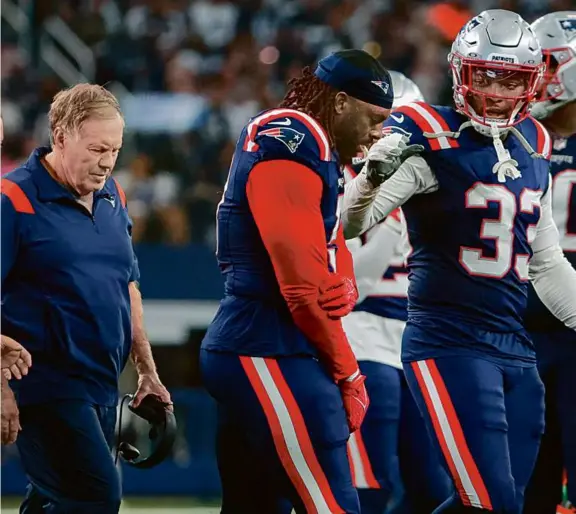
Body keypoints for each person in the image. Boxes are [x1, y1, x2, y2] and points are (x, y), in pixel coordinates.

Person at [340, 10, 576, 514]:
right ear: (459, 73)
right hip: (449, 342)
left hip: (517, 347)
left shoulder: (535, 142)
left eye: (509, 79)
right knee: (492, 503)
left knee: (509, 502)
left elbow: (547, 262)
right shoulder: (429, 132)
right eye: (484, 75)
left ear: (531, 84)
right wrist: (371, 179)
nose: (494, 92)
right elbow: (352, 222)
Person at [200, 49, 421, 514]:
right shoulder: (295, 136)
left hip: (268, 343)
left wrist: (339, 278)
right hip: (267, 345)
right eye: (375, 117)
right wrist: (349, 372)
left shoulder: (320, 150)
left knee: (261, 506)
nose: (379, 132)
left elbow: (328, 255)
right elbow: (300, 289)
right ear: (341, 102)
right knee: (334, 504)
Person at [0, 83, 171, 513]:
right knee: (96, 497)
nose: (107, 162)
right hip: (44, 385)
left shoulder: (115, 195)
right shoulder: (12, 200)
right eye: (96, 149)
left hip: (101, 385)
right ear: (60, 136)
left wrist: (147, 371)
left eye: (114, 150)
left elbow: (127, 286)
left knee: (52, 502)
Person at [343, 70, 452, 514]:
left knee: (433, 485)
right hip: (364, 334)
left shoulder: (437, 181)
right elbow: (349, 279)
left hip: (419, 339)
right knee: (372, 484)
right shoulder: (346, 182)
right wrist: (390, 229)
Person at [522, 11, 576, 514]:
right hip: (522, 330)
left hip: (546, 329)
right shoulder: (516, 140)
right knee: (524, 484)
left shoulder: (517, 143)